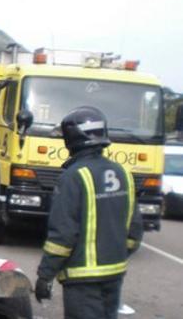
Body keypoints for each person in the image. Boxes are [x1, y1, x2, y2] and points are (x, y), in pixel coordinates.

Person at [35, 106, 143, 319]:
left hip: (81, 279)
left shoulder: (73, 177)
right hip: (115, 273)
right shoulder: (123, 173)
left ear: (70, 139)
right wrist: (114, 254)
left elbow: (62, 237)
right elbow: (135, 231)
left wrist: (44, 276)